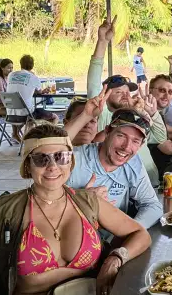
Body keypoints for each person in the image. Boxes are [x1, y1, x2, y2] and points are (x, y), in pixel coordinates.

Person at [0, 124, 151, 294]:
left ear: (71, 161)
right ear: (27, 165)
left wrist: (115, 258)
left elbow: (140, 234)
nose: (52, 166)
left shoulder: (88, 202)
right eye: (41, 159)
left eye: (61, 157)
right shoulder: (6, 208)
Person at [65, 87, 163, 229]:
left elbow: (152, 205)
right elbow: (44, 204)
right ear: (107, 131)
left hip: (113, 240)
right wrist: (80, 199)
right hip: (75, 240)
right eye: (121, 136)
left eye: (135, 141)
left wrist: (130, 230)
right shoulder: (75, 158)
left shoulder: (133, 163)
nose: (126, 147)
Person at [87, 15, 166, 187]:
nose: (125, 95)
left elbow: (160, 137)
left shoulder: (136, 117)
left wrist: (150, 113)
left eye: (127, 92)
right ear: (105, 97)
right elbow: (93, 84)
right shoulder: (103, 115)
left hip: (153, 184)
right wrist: (102, 42)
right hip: (126, 188)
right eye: (118, 92)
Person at [6, 55, 59, 142]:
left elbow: (20, 88)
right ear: (32, 65)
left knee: (25, 111)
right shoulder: (33, 77)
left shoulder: (11, 75)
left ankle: (16, 134)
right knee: (55, 117)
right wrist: (43, 91)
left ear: (21, 64)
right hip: (26, 115)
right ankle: (47, 139)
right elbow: (39, 91)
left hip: (10, 114)